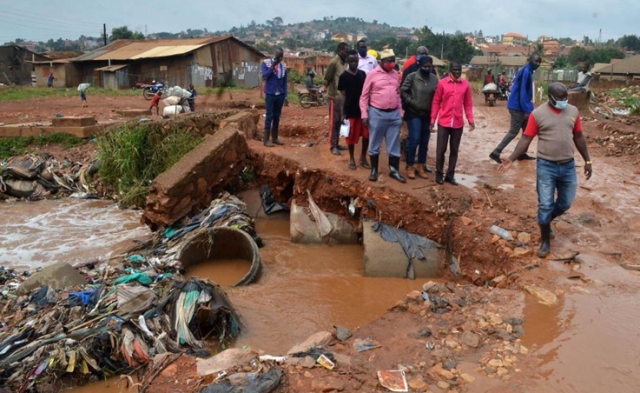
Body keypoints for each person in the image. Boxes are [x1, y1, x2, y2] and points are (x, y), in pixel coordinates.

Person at [498, 82, 592, 257]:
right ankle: (545, 241)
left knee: (565, 203)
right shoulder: (538, 114)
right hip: (546, 166)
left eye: (566, 97)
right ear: (550, 98)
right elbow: (526, 139)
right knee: (545, 204)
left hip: (568, 166)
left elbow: (578, 136)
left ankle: (545, 220)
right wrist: (512, 158)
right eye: (560, 98)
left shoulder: (573, 112)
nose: (564, 101)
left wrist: (588, 160)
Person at [360, 49, 405, 183]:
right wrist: (364, 114)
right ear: (382, 61)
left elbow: (397, 95)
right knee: (375, 142)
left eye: (393, 60)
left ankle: (394, 170)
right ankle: (374, 170)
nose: (392, 63)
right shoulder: (372, 75)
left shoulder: (395, 75)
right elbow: (364, 96)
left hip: (393, 114)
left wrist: (400, 113)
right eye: (389, 61)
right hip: (377, 113)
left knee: (394, 144)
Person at [489, 53, 542, 164]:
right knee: (513, 131)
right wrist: (527, 110)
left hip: (521, 106)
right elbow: (522, 92)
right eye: (536, 61)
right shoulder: (526, 72)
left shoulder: (527, 71)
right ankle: (496, 152)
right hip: (518, 107)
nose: (537, 64)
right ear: (530, 60)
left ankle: (521, 153)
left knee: (527, 131)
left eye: (539, 62)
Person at [430, 61, 475, 185]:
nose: (457, 72)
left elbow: (468, 104)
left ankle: (450, 175)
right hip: (444, 122)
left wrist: (471, 120)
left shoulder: (465, 85)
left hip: (458, 123)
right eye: (455, 69)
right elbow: (436, 102)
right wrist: (432, 120)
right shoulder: (442, 84)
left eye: (459, 69)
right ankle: (439, 174)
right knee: (441, 150)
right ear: (450, 70)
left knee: (454, 151)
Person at [401, 55, 438, 179]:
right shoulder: (412, 76)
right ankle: (410, 165)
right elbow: (403, 90)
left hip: (427, 114)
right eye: (425, 66)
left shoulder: (434, 79)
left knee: (424, 141)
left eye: (429, 66)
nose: (427, 68)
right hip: (414, 112)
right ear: (420, 66)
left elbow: (437, 95)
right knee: (415, 138)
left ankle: (420, 165)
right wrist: (412, 102)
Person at [338, 50, 370, 170]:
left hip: (363, 110)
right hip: (350, 110)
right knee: (350, 135)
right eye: (351, 61)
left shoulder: (362, 74)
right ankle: (351, 158)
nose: (354, 63)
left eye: (356, 61)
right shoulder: (343, 76)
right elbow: (343, 96)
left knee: (367, 134)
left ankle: (363, 156)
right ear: (347, 61)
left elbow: (366, 93)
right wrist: (342, 113)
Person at [324, 42, 350, 155]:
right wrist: (329, 94)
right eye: (346, 51)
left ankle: (337, 143)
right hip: (334, 97)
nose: (347, 54)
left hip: (342, 97)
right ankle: (332, 145)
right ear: (340, 51)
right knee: (333, 122)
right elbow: (327, 79)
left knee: (340, 121)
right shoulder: (334, 62)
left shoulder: (344, 63)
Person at [261, 47, 288, 147]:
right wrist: (272, 66)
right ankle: (266, 140)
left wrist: (286, 96)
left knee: (277, 116)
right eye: (278, 56)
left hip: (280, 94)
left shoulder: (284, 66)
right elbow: (265, 76)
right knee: (269, 116)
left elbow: (285, 82)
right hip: (270, 94)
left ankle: (275, 138)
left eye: (281, 57)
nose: (279, 58)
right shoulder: (266, 63)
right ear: (274, 55)